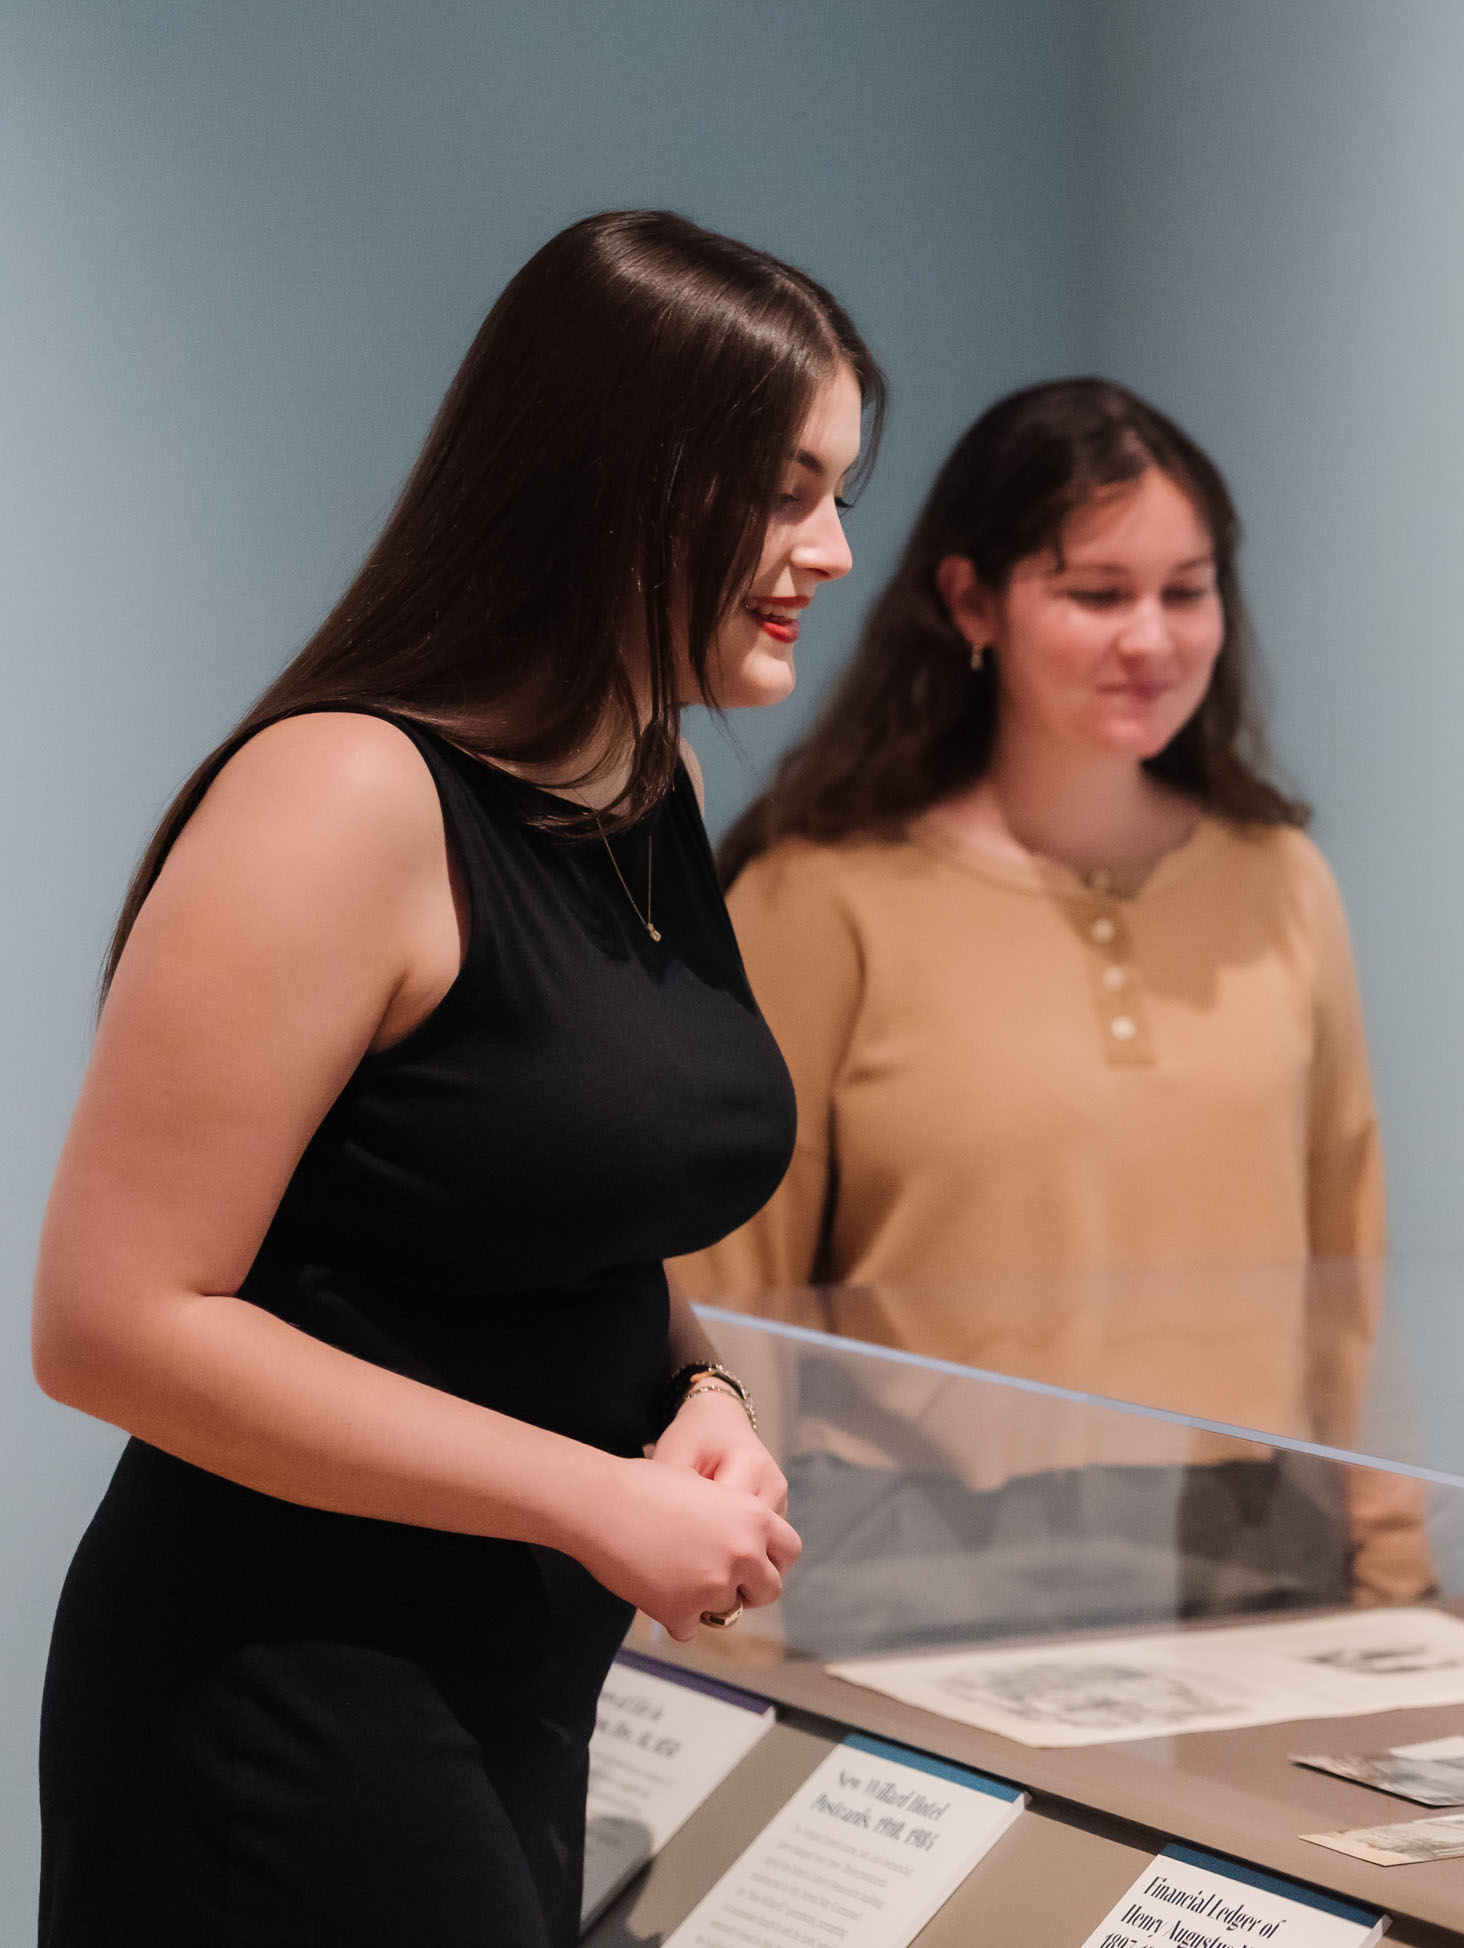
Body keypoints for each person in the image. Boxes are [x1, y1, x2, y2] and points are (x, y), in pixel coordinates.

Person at [29, 210, 869, 1945]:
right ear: (628, 477)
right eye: (788, 491)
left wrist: (695, 1400)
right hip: (286, 1676)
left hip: (515, 1665)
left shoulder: (658, 793)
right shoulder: (341, 794)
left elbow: (564, 1230)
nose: (834, 548)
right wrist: (591, 1493)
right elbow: (110, 1319)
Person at [672, 378, 1429, 1613]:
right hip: (907, 1565)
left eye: (1187, 591)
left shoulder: (1281, 879)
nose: (1153, 638)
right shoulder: (821, 891)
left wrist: (1390, 1556)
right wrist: (729, 1616)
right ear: (972, 600)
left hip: (1254, 1553)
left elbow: (1351, 1255)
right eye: (1096, 594)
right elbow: (727, 1283)